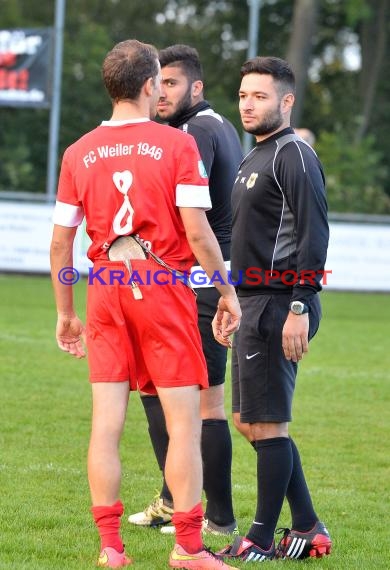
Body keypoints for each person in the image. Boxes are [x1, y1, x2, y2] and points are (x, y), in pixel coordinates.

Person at [50, 39, 240, 570]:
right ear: (150, 83)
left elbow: (61, 244)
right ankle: (188, 548)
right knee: (185, 424)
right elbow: (200, 236)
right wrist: (227, 292)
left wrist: (66, 312)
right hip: (162, 287)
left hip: (103, 289)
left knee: (105, 423)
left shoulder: (78, 151)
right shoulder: (176, 145)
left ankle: (111, 549)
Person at [217, 56, 332, 563]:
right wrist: (230, 300)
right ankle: (308, 526)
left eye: (259, 96)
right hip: (252, 301)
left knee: (268, 426)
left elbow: (314, 233)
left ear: (286, 101)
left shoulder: (294, 155)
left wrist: (301, 305)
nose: (247, 104)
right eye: (243, 95)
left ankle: (260, 538)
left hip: (282, 303)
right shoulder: (253, 156)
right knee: (247, 420)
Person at [128, 44, 243, 536]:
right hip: (205, 279)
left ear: (196, 87)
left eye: (172, 83)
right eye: (160, 83)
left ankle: (214, 518)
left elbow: (187, 219)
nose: (161, 93)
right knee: (175, 396)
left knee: (194, 402)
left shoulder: (194, 131)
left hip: (197, 282)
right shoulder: (216, 125)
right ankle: (175, 498)